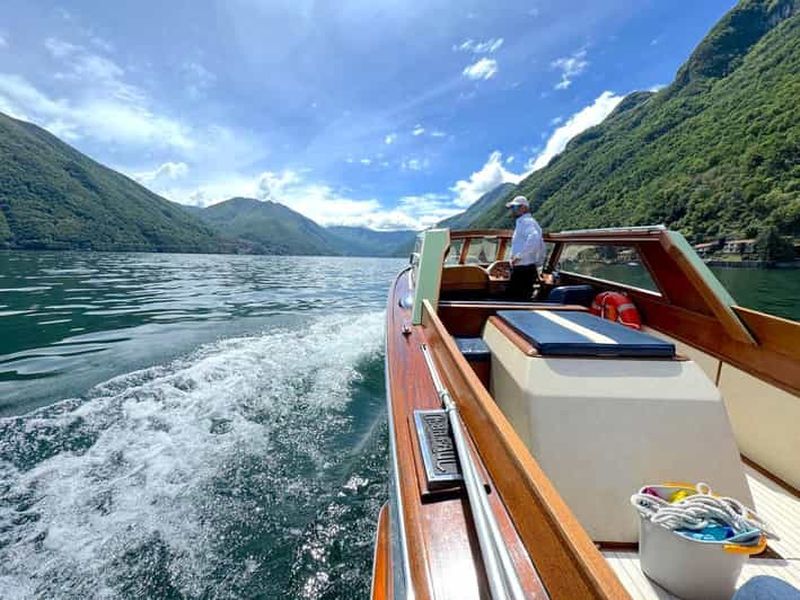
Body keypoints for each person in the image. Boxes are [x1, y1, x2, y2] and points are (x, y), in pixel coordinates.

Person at [505, 195, 546, 301]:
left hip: (523, 269)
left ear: (523, 208)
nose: (512, 210)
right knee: (518, 299)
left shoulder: (526, 222)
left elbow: (534, 237)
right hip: (524, 269)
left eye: (514, 207)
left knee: (516, 300)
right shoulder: (524, 222)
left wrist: (519, 256)